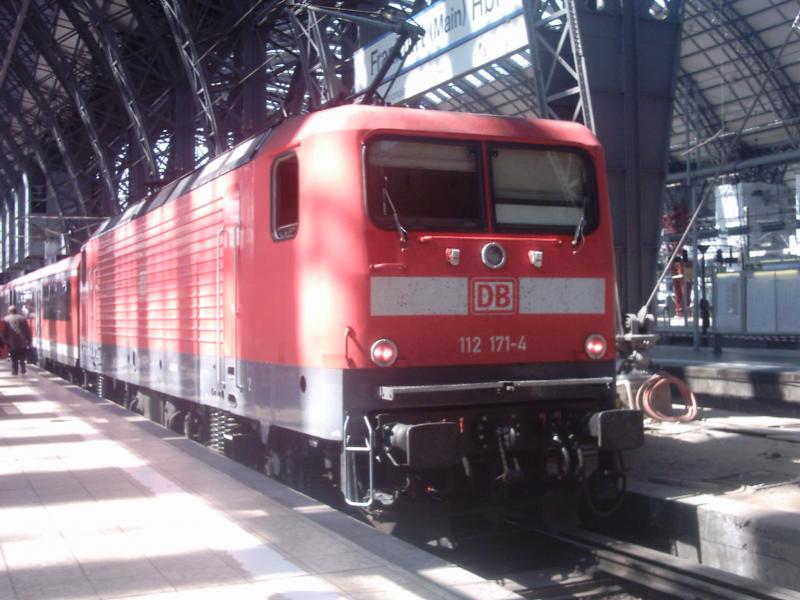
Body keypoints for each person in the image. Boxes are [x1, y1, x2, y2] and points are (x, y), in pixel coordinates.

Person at [3, 306, 32, 376]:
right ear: (16, 310)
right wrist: (29, 340)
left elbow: (4, 331)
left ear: (9, 311)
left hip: (12, 343)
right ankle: (23, 370)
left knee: (14, 358)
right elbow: (28, 330)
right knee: (22, 358)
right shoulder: (22, 318)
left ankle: (14, 371)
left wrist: (5, 340)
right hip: (22, 342)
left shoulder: (6, 319)